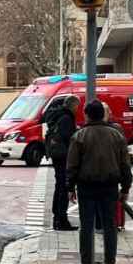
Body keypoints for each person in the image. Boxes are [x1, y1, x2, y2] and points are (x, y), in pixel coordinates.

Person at [66, 100, 133, 264]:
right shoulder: (116, 135)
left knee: (86, 225)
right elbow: (125, 165)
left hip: (86, 186)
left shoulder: (79, 136)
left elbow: (72, 165)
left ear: (86, 114)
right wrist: (125, 188)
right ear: (103, 114)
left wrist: (70, 187)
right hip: (110, 186)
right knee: (110, 225)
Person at [44, 95, 78, 231]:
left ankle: (57, 218)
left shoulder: (58, 116)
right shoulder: (66, 118)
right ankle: (61, 220)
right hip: (63, 156)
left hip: (56, 154)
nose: (77, 110)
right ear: (74, 106)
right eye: (77, 107)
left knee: (59, 186)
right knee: (63, 187)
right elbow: (68, 139)